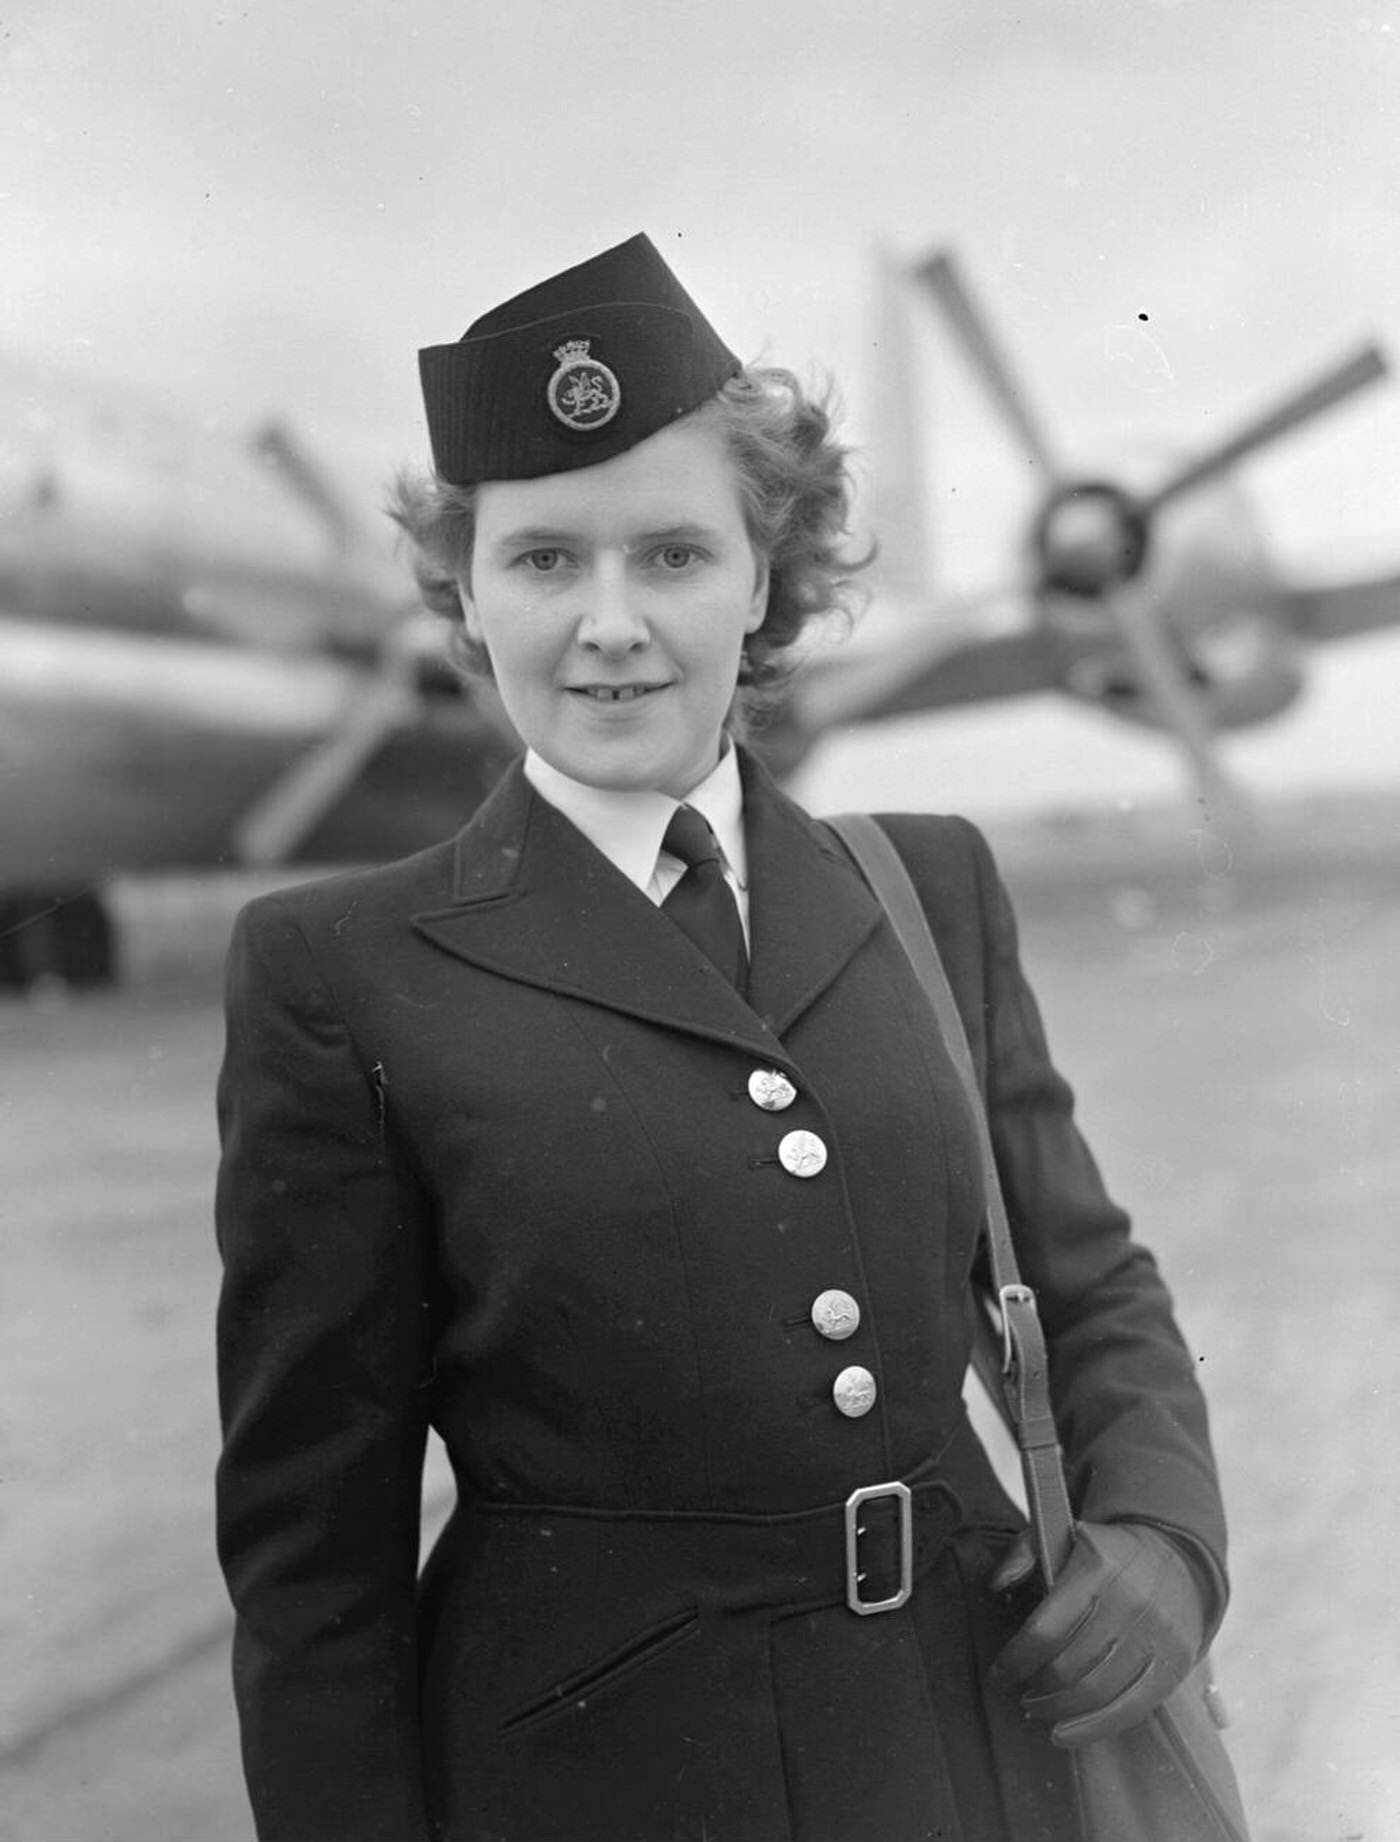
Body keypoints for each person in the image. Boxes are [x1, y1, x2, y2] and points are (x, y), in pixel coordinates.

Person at [214, 233, 1230, 1842]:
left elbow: (1092, 1281)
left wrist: (1167, 1538)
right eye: (544, 560)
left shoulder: (927, 888)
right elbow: (310, 1565)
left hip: (978, 1748)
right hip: (594, 1784)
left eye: (672, 555)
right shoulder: (335, 971)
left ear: (764, 577)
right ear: (464, 594)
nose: (610, 623)